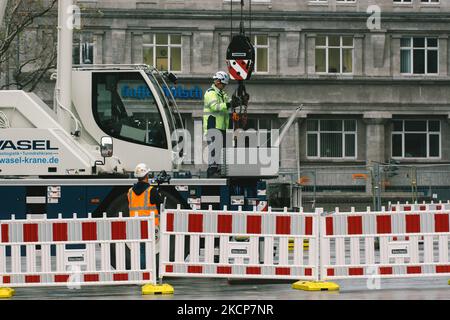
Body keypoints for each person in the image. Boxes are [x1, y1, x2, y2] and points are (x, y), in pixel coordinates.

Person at [203, 71, 239, 177]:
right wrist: (229, 104)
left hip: (222, 127)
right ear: (218, 81)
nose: (224, 86)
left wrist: (237, 101)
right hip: (213, 127)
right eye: (223, 84)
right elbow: (215, 107)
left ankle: (219, 170)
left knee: (222, 151)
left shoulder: (222, 94)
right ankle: (212, 172)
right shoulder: (210, 93)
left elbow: (229, 102)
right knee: (214, 151)